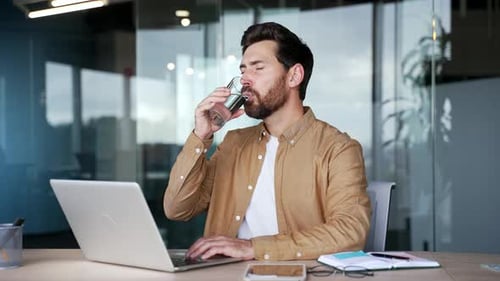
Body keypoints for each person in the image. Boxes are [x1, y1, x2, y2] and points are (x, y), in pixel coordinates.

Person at [163, 22, 371, 261]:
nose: (245, 81)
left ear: (294, 76)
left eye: (257, 68)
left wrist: (253, 248)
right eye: (243, 71)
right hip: (225, 276)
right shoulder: (234, 144)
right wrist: (201, 136)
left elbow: (350, 232)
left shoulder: (338, 149)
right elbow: (177, 208)